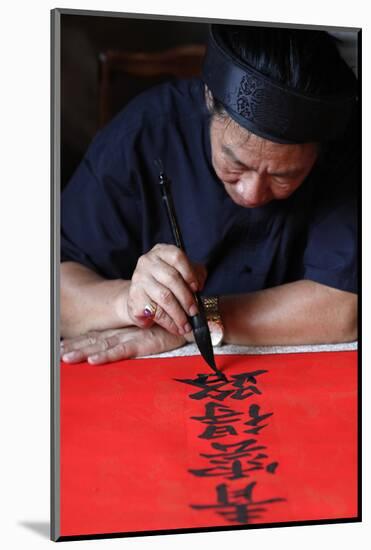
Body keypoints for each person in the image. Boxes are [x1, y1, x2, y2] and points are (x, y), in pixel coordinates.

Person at [60, 24, 358, 365]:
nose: (252, 193)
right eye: (235, 165)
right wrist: (129, 302)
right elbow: (52, 287)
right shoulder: (146, 132)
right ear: (208, 98)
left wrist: (191, 323)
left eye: (283, 175)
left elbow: (343, 307)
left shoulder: (347, 151)